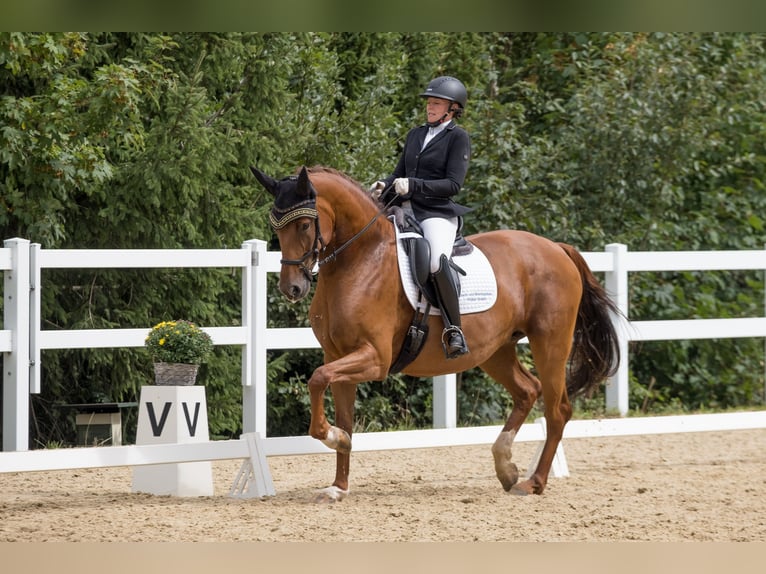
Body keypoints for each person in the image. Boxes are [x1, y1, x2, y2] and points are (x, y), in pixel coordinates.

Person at [370, 76, 472, 359]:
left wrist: (413, 185)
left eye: (436, 103)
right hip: (402, 209)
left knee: (435, 261)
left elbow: (453, 185)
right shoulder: (415, 134)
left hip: (435, 213)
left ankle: (454, 330)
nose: (430, 107)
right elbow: (398, 173)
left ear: (452, 109)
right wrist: (384, 184)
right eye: (429, 103)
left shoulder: (458, 138)